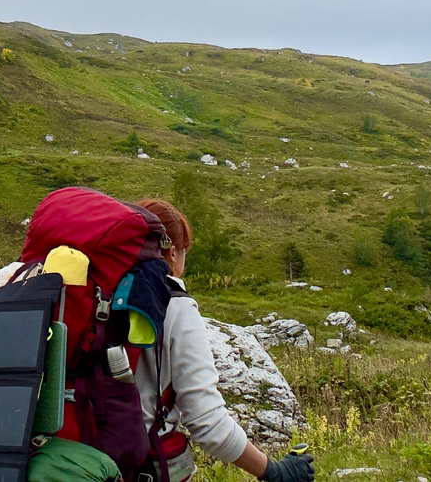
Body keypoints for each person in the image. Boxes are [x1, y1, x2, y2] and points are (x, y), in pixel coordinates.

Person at [134, 198, 315, 482]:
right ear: (172, 253)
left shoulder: (93, 297)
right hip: (134, 466)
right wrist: (274, 471)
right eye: (184, 251)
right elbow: (207, 423)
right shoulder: (176, 307)